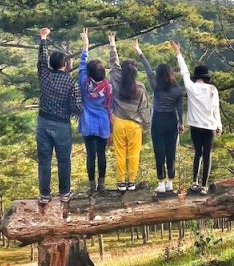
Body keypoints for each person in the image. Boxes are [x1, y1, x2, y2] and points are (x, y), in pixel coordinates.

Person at [36, 27, 82, 205]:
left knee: (44, 160)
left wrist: (43, 38)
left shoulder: (44, 76)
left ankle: (45, 195)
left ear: (51, 64)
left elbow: (41, 60)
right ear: (64, 65)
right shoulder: (71, 82)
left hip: (43, 121)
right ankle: (64, 192)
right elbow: (77, 106)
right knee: (64, 160)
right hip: (62, 125)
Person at [171, 41, 222, 195]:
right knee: (207, 156)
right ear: (206, 77)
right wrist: (219, 125)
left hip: (195, 127)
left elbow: (184, 72)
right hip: (209, 127)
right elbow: (215, 110)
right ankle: (204, 186)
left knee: (197, 153)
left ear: (196, 76)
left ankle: (194, 182)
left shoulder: (191, 87)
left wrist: (178, 53)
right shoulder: (213, 89)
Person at [107, 31, 151, 192]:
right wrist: (146, 125)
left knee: (119, 153)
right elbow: (144, 108)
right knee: (133, 154)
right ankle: (131, 182)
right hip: (134, 125)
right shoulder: (140, 87)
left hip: (118, 122)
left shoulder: (116, 81)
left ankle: (121, 182)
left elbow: (114, 64)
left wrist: (112, 44)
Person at [137, 41, 184, 195]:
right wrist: (181, 123)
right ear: (171, 74)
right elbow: (179, 109)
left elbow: (148, 70)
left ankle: (161, 183)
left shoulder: (156, 86)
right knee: (171, 152)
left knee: (159, 152)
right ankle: (170, 182)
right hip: (172, 121)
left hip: (157, 121)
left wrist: (139, 51)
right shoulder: (177, 90)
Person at [79, 28, 112, 194]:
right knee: (102, 154)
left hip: (87, 122)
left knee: (90, 155)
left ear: (89, 73)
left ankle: (91, 186)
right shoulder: (107, 87)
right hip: (103, 123)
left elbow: (81, 67)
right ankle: (102, 184)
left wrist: (85, 45)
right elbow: (110, 105)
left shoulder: (84, 83)